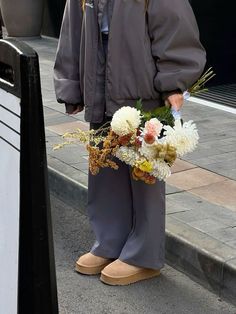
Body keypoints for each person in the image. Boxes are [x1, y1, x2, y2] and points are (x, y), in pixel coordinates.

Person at [54, 0, 206, 286]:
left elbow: (173, 21)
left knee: (146, 167)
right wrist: (71, 84)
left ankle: (143, 255)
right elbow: (72, 27)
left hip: (142, 78)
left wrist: (174, 81)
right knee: (104, 163)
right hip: (97, 73)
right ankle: (109, 242)